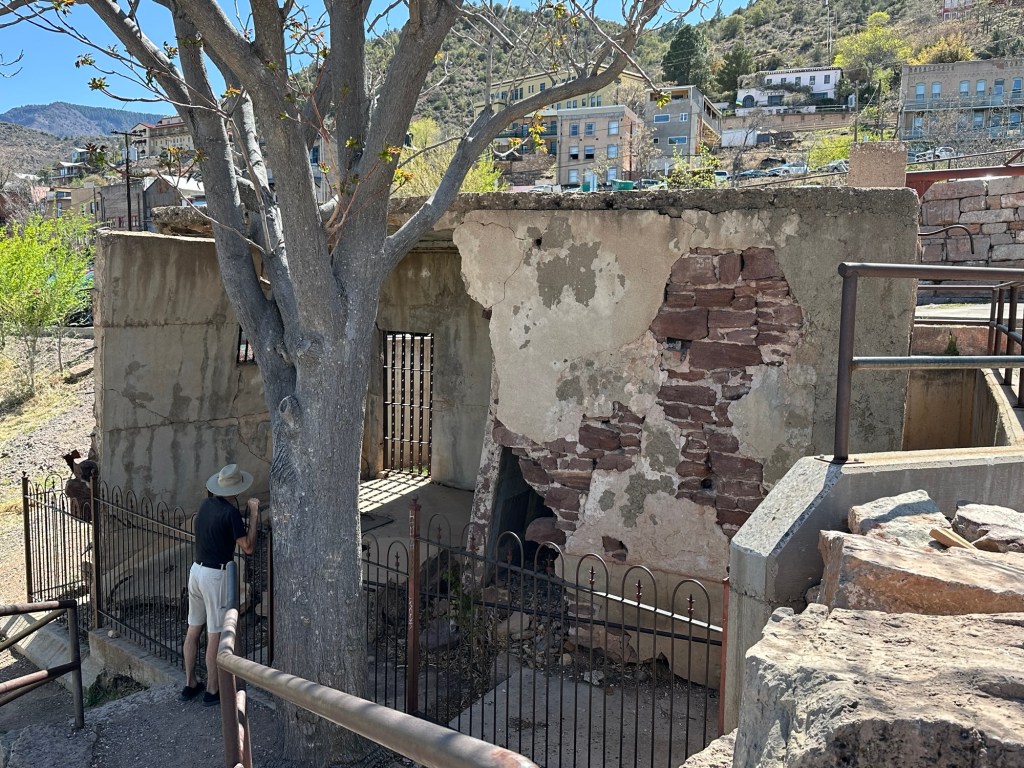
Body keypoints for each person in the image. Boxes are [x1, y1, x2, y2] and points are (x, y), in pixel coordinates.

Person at [180, 464, 259, 706]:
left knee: (194, 629)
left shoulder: (205, 505)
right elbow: (248, 546)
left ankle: (190, 682)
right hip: (216, 575)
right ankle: (213, 690)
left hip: (196, 571)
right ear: (236, 489)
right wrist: (254, 514)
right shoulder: (231, 513)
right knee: (215, 633)